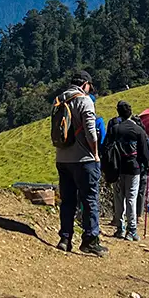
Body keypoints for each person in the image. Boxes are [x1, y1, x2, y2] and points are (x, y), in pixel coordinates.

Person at [54, 71, 108, 257]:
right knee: (90, 200)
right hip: (83, 160)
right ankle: (90, 240)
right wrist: (95, 154)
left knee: (67, 201)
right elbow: (91, 132)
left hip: (62, 158)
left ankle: (65, 239)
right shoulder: (85, 101)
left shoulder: (59, 100)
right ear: (85, 84)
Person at [108, 101, 149, 241]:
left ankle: (120, 228)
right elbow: (144, 153)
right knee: (131, 198)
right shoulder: (138, 130)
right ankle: (131, 231)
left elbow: (107, 148)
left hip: (117, 169)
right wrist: (147, 166)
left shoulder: (115, 129)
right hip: (134, 168)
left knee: (119, 198)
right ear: (130, 112)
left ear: (118, 112)